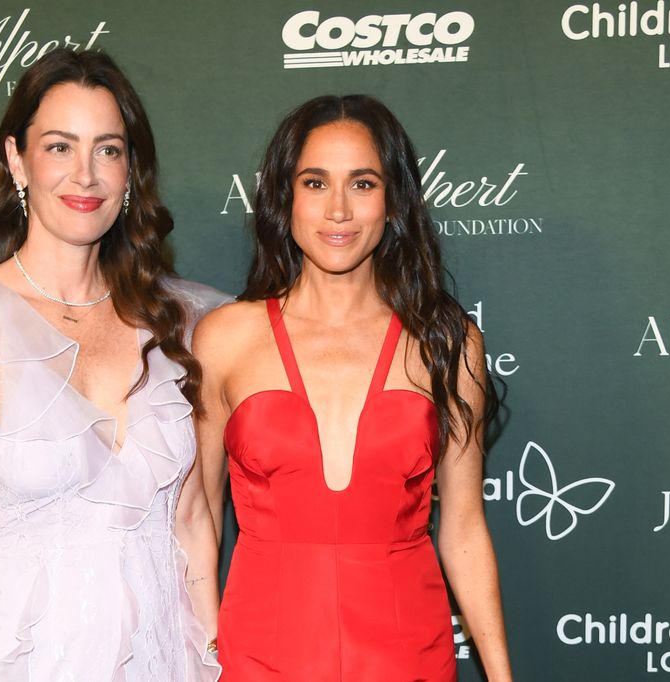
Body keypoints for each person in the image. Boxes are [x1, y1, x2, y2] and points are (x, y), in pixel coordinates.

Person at [0, 49, 223, 682]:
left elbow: (195, 522)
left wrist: (214, 664)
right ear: (17, 158)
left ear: (131, 169)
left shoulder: (185, 324)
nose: (86, 175)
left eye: (109, 149)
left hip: (167, 661)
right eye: (61, 147)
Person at [196, 95, 513, 681]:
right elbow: (200, 517)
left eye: (362, 183)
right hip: (259, 657)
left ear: (393, 201)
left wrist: (500, 675)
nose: (337, 209)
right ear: (283, 199)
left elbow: (464, 528)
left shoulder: (448, 342)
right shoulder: (225, 339)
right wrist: (203, 650)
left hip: (407, 655)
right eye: (315, 183)